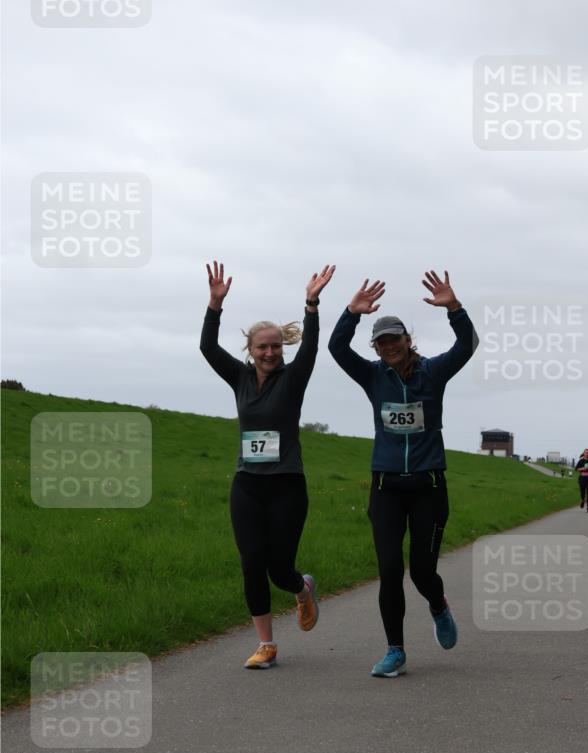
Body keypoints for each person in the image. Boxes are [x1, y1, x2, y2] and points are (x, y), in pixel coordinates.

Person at [328, 271, 477, 677]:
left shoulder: (434, 372)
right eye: (382, 342)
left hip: (428, 486)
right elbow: (336, 349)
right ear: (376, 349)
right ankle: (395, 650)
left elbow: (467, 346)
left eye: (395, 338)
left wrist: (454, 308)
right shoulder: (373, 376)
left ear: (408, 340)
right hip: (386, 487)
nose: (390, 346)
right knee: (390, 568)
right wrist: (351, 313)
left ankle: (439, 605)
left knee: (423, 570)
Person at [200, 260, 335, 668]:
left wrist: (311, 304)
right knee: (251, 564)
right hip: (247, 484)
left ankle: (301, 586)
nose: (271, 352)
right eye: (263, 346)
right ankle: (267, 645)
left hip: (287, 484)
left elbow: (310, 348)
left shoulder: (293, 378)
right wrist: (214, 305)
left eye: (276, 346)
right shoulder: (239, 378)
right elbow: (207, 348)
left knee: (279, 569)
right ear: (251, 350)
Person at [575, 448, 588, 512]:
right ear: (584, 453)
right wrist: (582, 468)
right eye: (585, 452)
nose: (587, 454)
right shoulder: (581, 461)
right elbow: (576, 469)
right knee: (582, 492)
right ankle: (582, 500)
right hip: (582, 478)